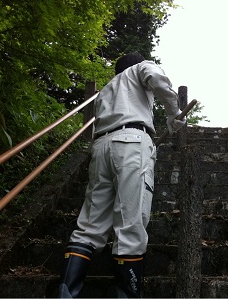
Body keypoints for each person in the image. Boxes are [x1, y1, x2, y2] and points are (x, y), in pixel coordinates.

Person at [58, 52, 186, 298]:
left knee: (89, 227)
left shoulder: (107, 88)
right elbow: (156, 77)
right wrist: (173, 113)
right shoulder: (140, 68)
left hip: (101, 147)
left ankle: (67, 293)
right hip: (131, 144)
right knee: (131, 222)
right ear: (136, 63)